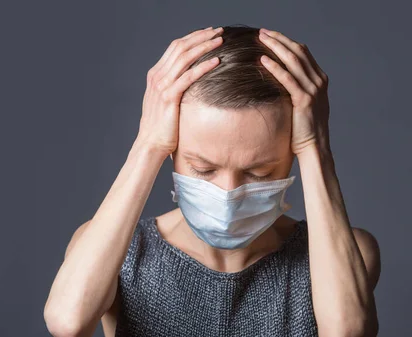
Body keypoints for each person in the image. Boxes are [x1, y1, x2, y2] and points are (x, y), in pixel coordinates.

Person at [44, 25, 381, 337]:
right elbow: (68, 321)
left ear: (292, 157)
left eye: (259, 172)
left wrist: (315, 147)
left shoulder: (347, 255)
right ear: (173, 150)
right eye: (203, 169)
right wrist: (148, 143)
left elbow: (347, 331)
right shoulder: (118, 252)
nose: (228, 193)